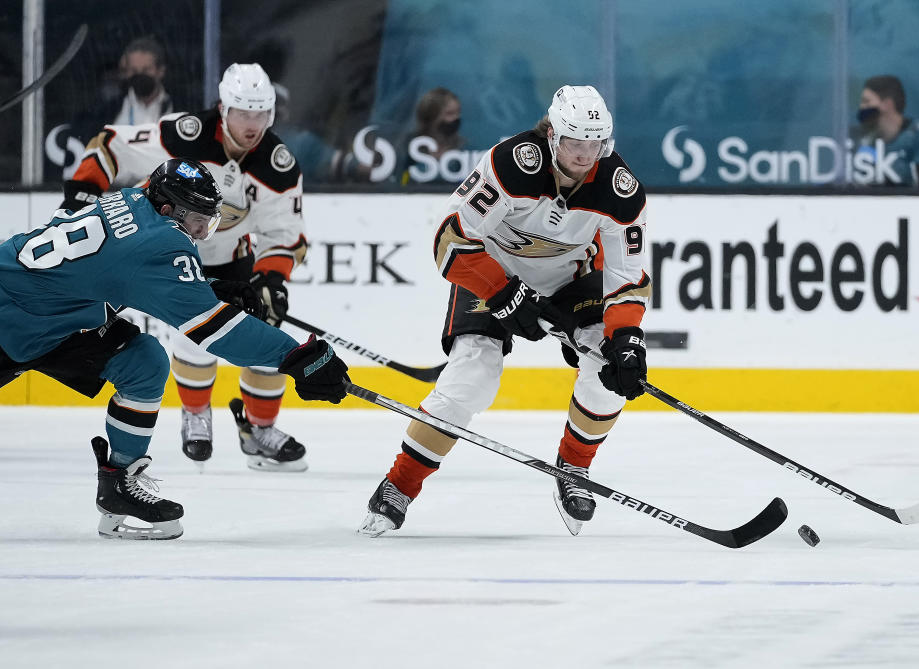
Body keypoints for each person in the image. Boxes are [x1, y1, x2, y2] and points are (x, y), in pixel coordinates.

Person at [0, 158, 349, 540]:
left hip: (51, 319)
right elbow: (219, 333)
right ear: (168, 209)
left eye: (208, 219)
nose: (202, 231)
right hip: (13, 318)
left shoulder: (131, 198)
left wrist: (207, 286)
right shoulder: (163, 242)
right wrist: (296, 357)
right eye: (198, 218)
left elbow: (121, 267)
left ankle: (119, 486)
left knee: (143, 363)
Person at [359, 85, 650, 537]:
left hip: (570, 279)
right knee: (472, 376)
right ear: (552, 134)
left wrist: (628, 339)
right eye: (575, 142)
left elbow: (627, 277)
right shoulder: (512, 163)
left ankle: (573, 470)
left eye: (595, 144)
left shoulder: (620, 190)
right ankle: (399, 484)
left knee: (609, 367)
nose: (584, 154)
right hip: (492, 269)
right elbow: (449, 240)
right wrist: (504, 293)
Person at [62, 63, 312, 473]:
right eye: (243, 113)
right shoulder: (184, 133)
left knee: (267, 336)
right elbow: (110, 145)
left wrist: (271, 279)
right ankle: (196, 414)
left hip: (233, 259)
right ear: (223, 107)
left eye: (261, 114)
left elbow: (284, 234)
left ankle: (259, 429)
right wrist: (81, 196)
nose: (253, 125)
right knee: (194, 337)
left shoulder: (277, 164)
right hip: (161, 251)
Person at [853, 75, 919, 188]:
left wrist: (882, 166)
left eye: (866, 101)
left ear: (887, 104)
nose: (861, 107)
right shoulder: (859, 138)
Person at [398, 87, 466, 185]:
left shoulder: (464, 149)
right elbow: (400, 182)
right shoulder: (410, 147)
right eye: (449, 113)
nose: (456, 118)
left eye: (458, 112)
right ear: (432, 117)